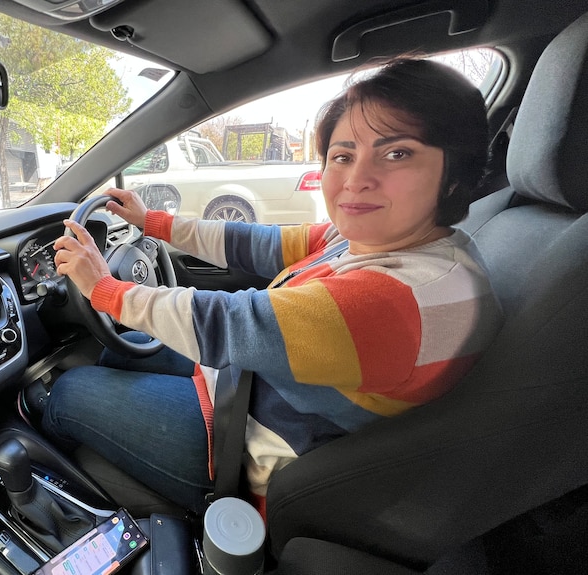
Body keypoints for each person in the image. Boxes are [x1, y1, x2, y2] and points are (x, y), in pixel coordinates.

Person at [39, 57, 504, 517]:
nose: (357, 180)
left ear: (455, 174)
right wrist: (153, 222)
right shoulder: (391, 242)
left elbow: (229, 323)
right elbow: (259, 244)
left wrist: (102, 287)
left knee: (66, 392)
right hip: (253, 389)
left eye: (397, 153)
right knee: (123, 349)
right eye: (343, 155)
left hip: (244, 451)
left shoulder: (397, 301)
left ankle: (61, 502)